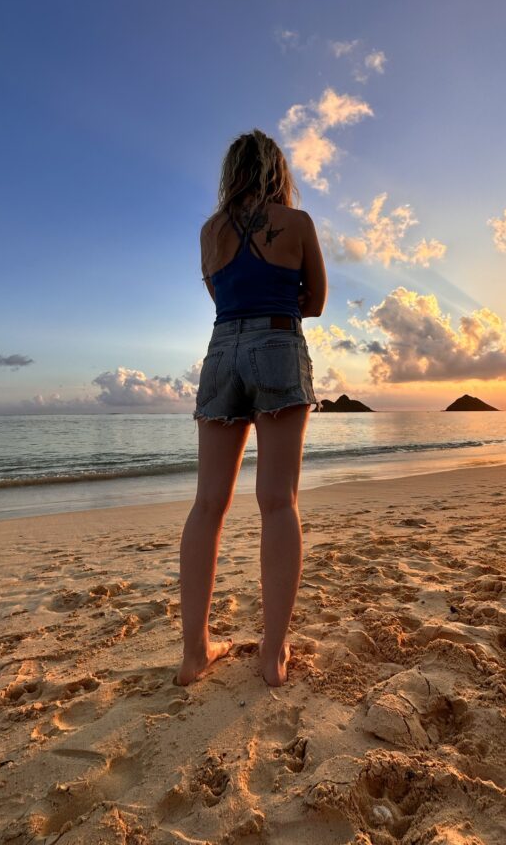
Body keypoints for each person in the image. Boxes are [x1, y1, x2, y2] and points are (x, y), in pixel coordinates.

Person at [175, 129, 327, 688]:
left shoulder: (210, 232)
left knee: (208, 503)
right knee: (277, 501)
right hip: (278, 342)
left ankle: (194, 653)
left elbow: (220, 296)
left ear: (231, 171)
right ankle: (272, 654)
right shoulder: (297, 222)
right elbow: (316, 299)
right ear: (276, 169)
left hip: (221, 350)